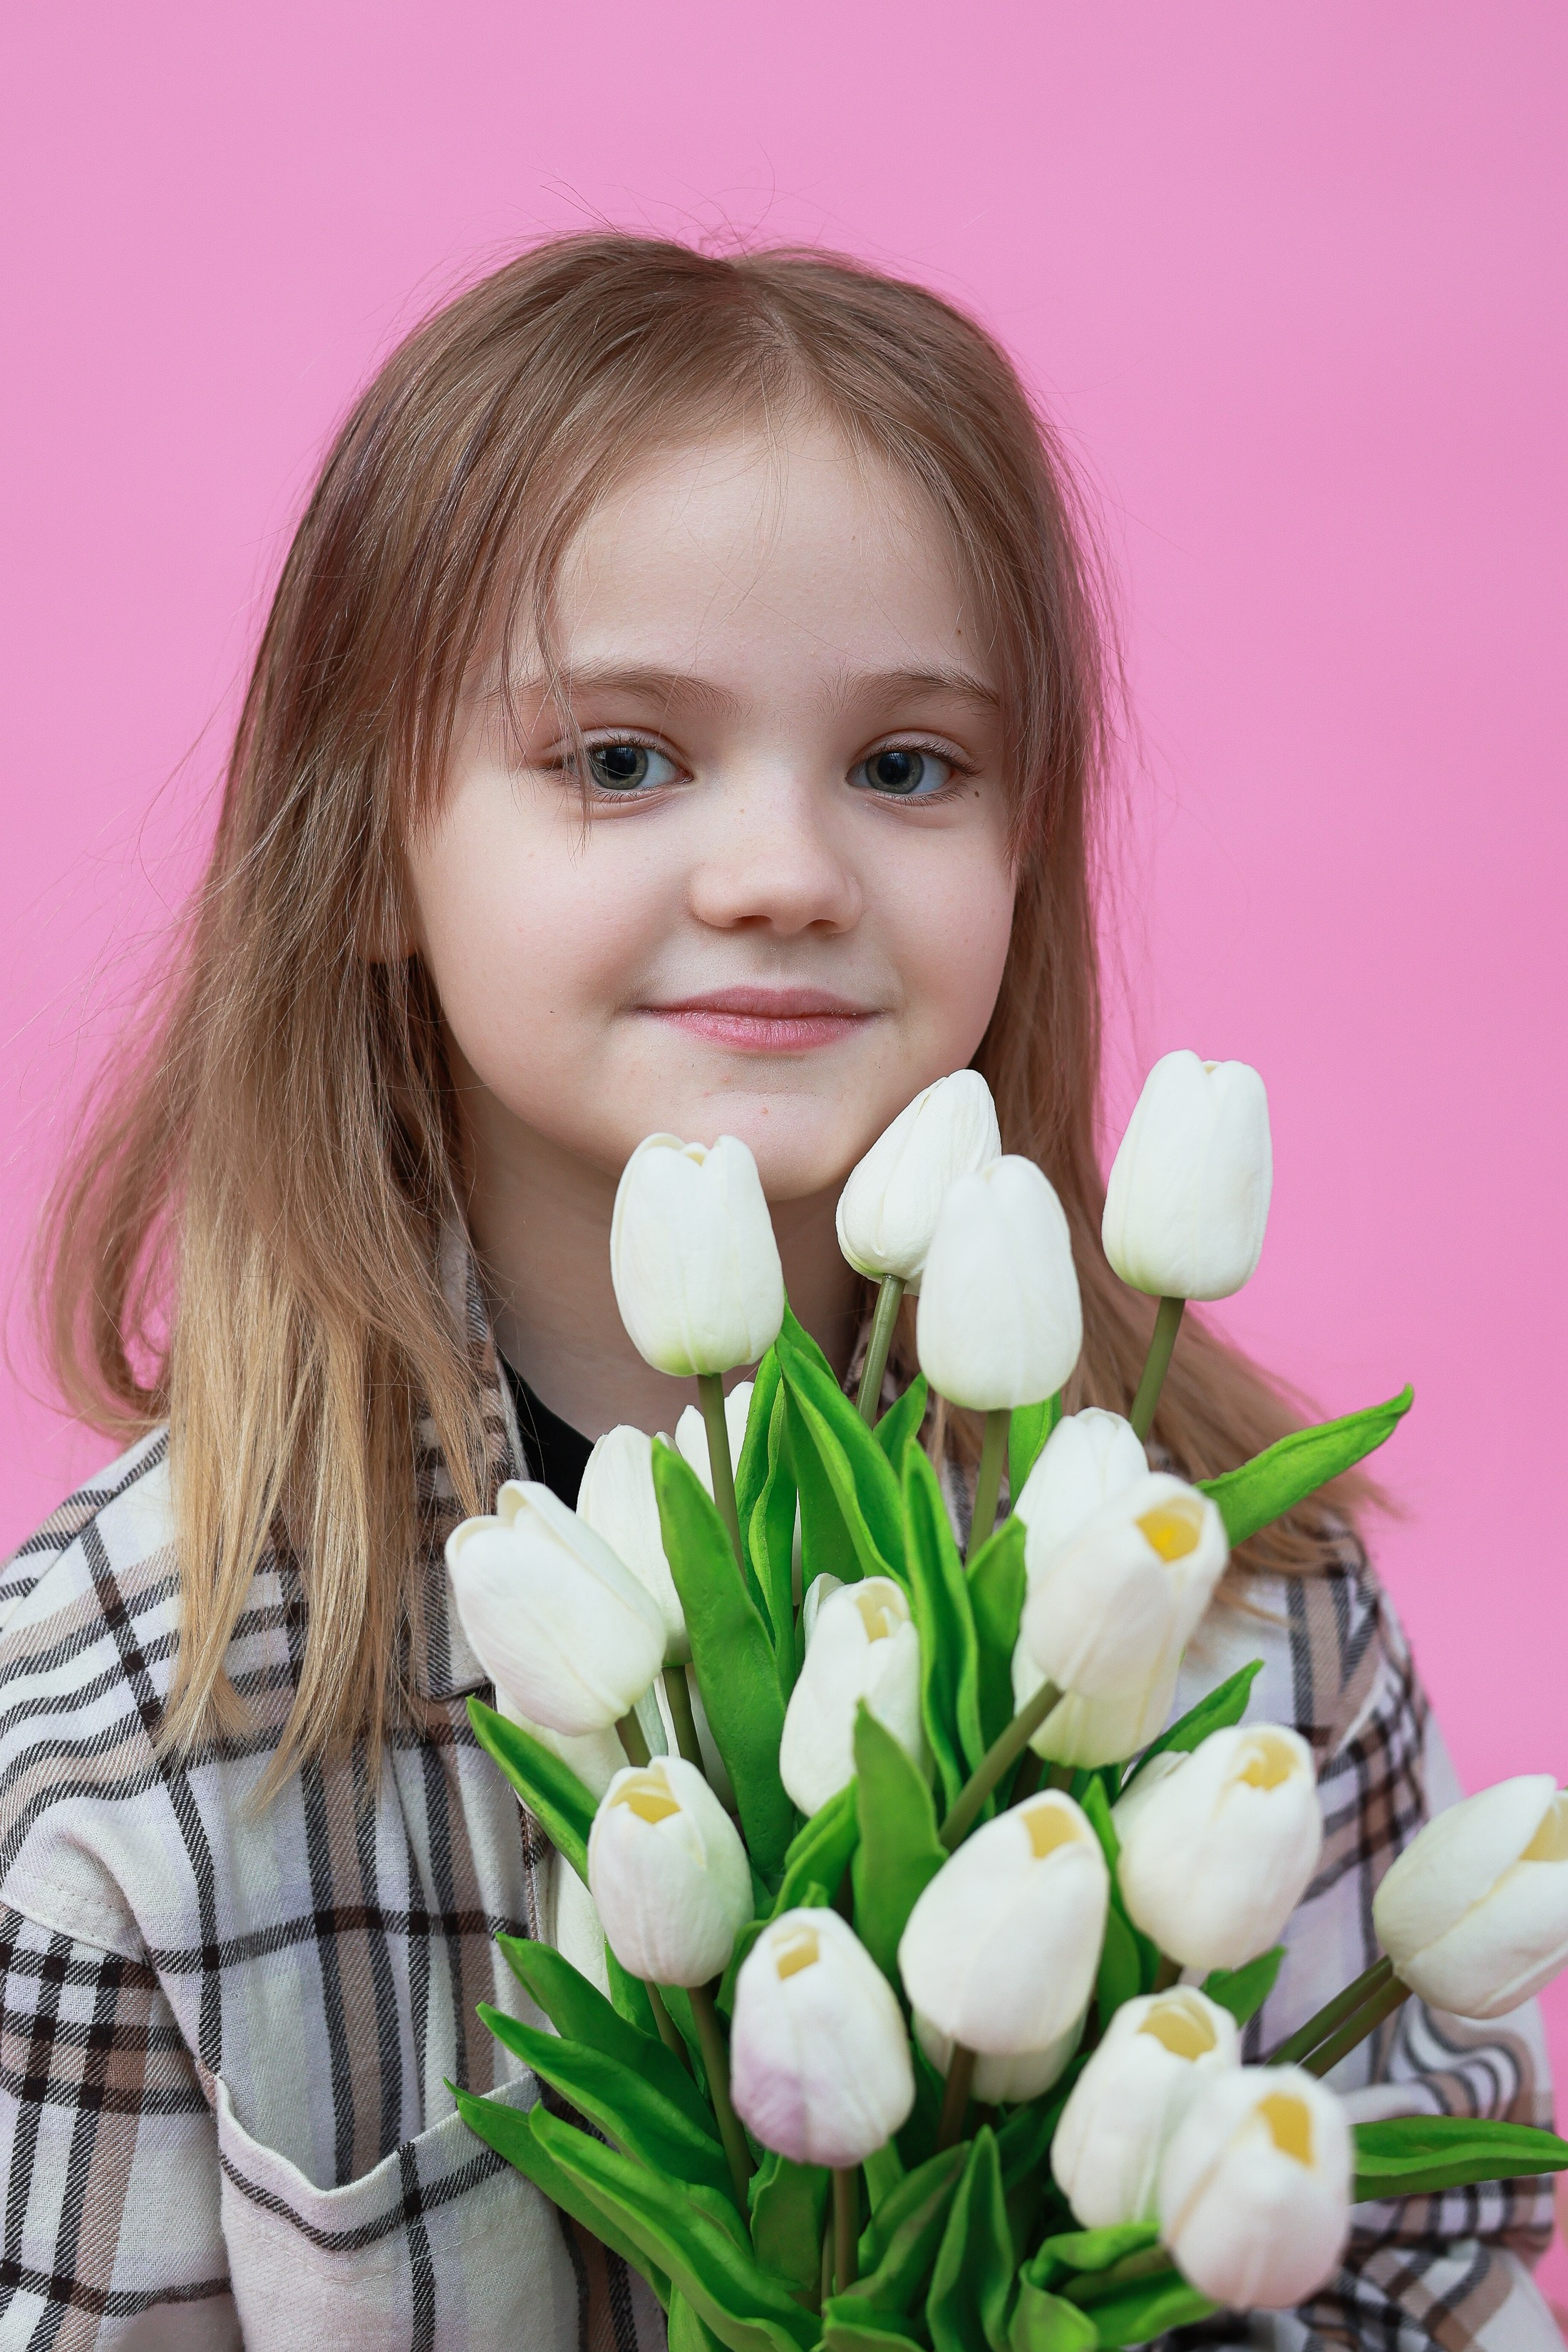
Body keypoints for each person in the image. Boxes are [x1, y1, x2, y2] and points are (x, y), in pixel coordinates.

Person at [0, 236, 1554, 2352]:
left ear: (1027, 851)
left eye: (907, 767)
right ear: (369, 846)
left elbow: (1430, 2280)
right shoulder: (133, 1728)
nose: (784, 871)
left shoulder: (1215, 1596)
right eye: (625, 758)